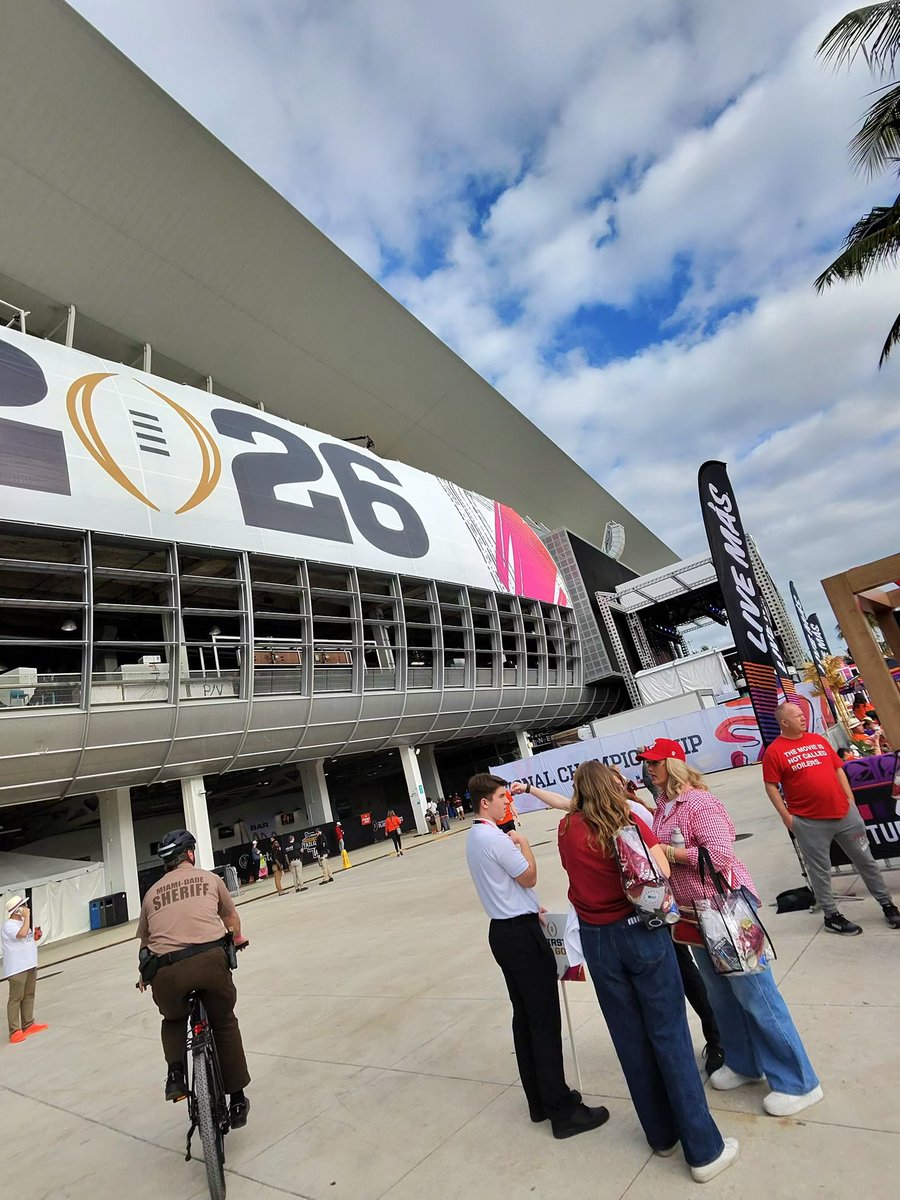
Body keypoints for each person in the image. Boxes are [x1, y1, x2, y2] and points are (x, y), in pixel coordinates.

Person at [554, 761, 738, 1183]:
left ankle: (661, 1134)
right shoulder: (628, 819)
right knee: (669, 1034)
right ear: (614, 785)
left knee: (630, 1038)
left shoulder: (567, 829)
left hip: (598, 940)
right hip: (641, 932)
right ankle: (704, 1149)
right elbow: (664, 870)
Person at [644, 738, 823, 1118]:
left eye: (656, 762)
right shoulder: (662, 806)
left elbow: (720, 855)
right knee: (721, 994)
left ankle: (798, 1081)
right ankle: (744, 1063)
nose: (649, 768)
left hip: (726, 909)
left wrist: (670, 854)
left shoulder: (699, 803)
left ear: (673, 764)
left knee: (756, 993)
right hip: (695, 914)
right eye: (647, 763)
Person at [511, 772, 724, 1076]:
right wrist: (530, 788)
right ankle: (679, 1053)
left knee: (687, 979)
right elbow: (563, 803)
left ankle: (714, 1037)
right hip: (639, 918)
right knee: (668, 990)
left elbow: (658, 864)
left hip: (655, 914)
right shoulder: (595, 816)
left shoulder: (631, 812)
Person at [465, 772, 609, 1140]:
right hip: (521, 935)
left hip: (505, 929)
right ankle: (562, 1110)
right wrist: (525, 845)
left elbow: (510, 889)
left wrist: (529, 907)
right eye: (501, 797)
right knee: (544, 1020)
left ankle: (540, 1101)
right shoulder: (496, 838)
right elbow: (527, 877)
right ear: (485, 802)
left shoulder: (474, 838)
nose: (506, 802)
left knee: (525, 1019)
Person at [136, 830, 250, 1127]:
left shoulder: (150, 894)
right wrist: (236, 939)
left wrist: (143, 977)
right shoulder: (210, 879)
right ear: (190, 854)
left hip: (167, 972)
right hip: (209, 962)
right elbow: (231, 918)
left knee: (173, 1019)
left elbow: (145, 946)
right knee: (223, 1020)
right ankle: (236, 1099)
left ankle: (175, 1074)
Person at [762, 702, 900, 935]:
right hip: (808, 821)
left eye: (801, 714)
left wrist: (850, 800)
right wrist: (787, 817)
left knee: (866, 860)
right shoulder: (774, 752)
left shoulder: (818, 740)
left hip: (844, 814)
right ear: (784, 722)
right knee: (820, 869)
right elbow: (771, 786)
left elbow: (838, 769)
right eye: (797, 716)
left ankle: (888, 905)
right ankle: (831, 915)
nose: (803, 718)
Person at [2, 895, 48, 1045]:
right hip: (17, 968)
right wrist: (27, 917)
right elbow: (21, 935)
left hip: (29, 964)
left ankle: (28, 1024)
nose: (27, 907)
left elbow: (26, 938)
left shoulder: (22, 922)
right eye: (24, 905)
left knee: (29, 994)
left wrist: (34, 936)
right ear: (17, 910)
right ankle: (14, 1031)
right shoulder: (8, 925)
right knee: (16, 998)